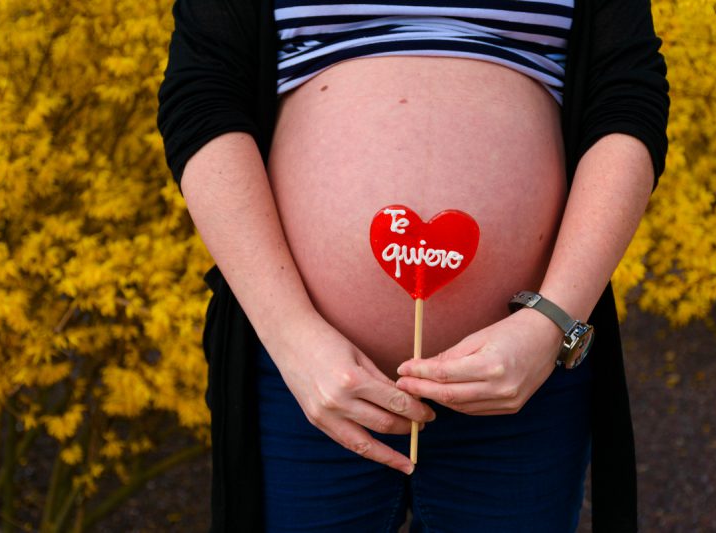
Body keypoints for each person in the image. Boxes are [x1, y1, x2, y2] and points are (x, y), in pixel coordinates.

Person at [157, 0, 669, 531]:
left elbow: (628, 102)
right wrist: (291, 336)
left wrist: (552, 324)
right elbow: (202, 96)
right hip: (306, 379)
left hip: (525, 378)